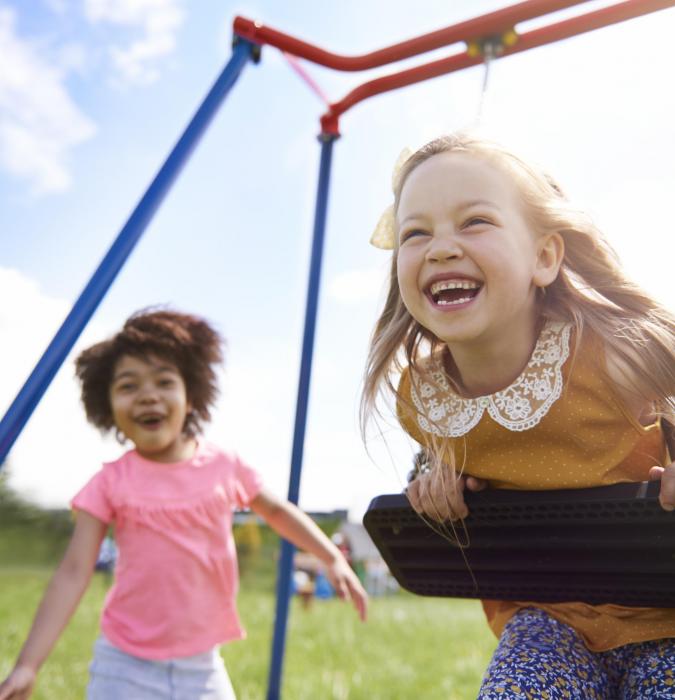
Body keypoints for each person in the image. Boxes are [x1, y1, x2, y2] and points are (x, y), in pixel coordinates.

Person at [361, 133, 674, 698]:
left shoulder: (614, 353)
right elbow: (448, 461)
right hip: (546, 617)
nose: (441, 248)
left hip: (667, 612)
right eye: (416, 232)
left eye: (474, 221)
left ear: (545, 256)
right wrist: (433, 488)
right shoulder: (422, 396)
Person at [0, 309, 367, 700]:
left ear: (190, 396)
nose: (148, 395)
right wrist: (28, 665)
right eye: (128, 386)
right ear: (107, 406)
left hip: (202, 667)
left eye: (164, 381)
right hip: (122, 665)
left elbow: (277, 512)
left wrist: (331, 557)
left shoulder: (224, 466)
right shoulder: (109, 482)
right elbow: (74, 571)